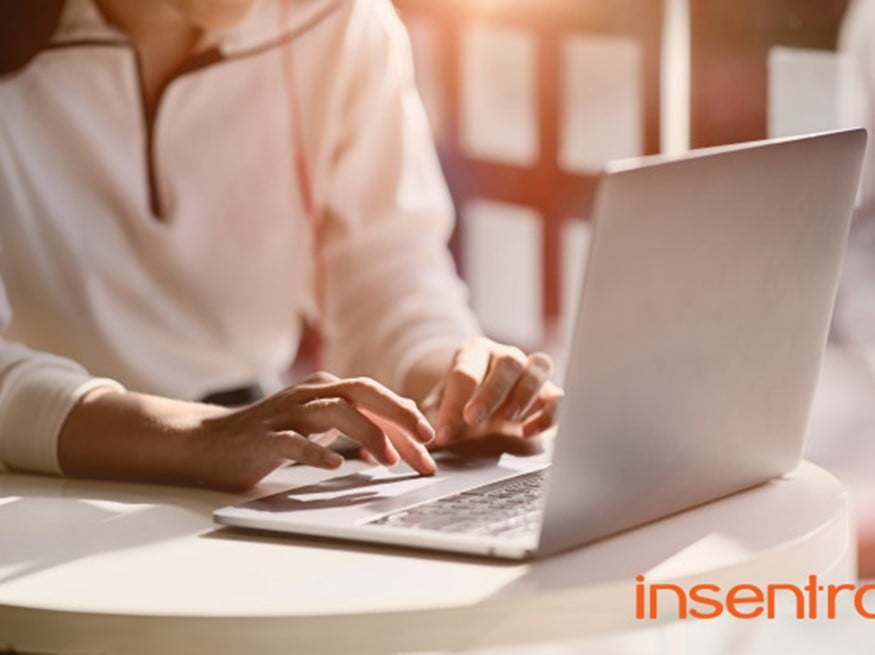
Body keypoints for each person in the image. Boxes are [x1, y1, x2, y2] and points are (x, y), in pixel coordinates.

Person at [0, 0, 562, 491]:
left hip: (243, 462)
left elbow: (387, 278)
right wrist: (196, 437)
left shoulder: (338, 20)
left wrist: (457, 388)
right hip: (36, 485)